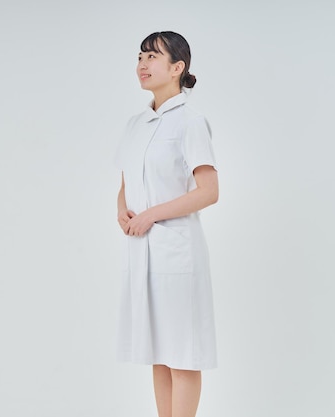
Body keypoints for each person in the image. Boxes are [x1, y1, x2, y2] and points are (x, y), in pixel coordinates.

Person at [115, 31, 219, 417]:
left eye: (153, 57)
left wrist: (150, 215)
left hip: (177, 253)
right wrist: (122, 211)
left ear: (178, 68)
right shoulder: (136, 123)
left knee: (183, 353)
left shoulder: (190, 122)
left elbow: (209, 191)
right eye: (140, 56)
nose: (143, 63)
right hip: (142, 250)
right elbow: (127, 181)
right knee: (158, 349)